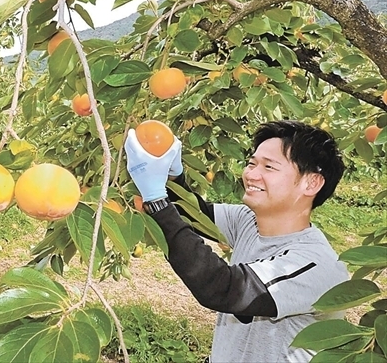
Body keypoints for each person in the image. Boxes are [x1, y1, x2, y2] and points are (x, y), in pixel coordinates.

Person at [124, 120, 348, 363]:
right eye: (251, 163)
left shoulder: (315, 265)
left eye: (269, 167)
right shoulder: (249, 221)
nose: (251, 174)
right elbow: (196, 215)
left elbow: (224, 289)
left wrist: (157, 200)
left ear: (311, 182)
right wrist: (173, 177)